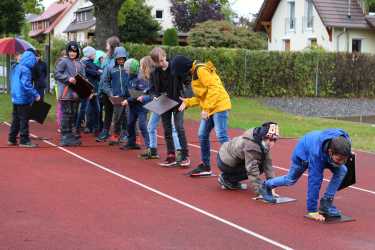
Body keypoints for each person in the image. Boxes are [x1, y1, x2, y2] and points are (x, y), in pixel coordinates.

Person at [263, 129, 352, 221]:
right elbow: (314, 182)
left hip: (323, 153)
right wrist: (312, 210)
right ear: (330, 152)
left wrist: (344, 158)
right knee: (290, 180)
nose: (341, 162)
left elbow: (343, 154)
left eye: (344, 159)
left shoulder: (345, 142)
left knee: (342, 170)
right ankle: (266, 185)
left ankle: (326, 203)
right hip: (303, 155)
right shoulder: (316, 155)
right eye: (339, 159)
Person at [173, 55, 231, 176]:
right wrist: (188, 102)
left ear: (183, 69)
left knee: (221, 135)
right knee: (202, 134)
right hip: (211, 107)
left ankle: (235, 163)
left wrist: (206, 108)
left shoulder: (201, 70)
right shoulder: (194, 73)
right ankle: (206, 166)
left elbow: (214, 89)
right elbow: (202, 97)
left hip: (219, 106)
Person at [150, 47, 190, 167]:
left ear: (165, 56)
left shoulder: (175, 67)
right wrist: (154, 96)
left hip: (178, 101)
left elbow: (188, 82)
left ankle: (185, 155)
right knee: (167, 129)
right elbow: (152, 89)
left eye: (162, 60)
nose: (161, 63)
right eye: (158, 62)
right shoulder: (154, 72)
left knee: (179, 127)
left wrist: (186, 98)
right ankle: (171, 155)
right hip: (163, 101)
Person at [217, 122, 279, 197]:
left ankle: (229, 178)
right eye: (269, 138)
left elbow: (268, 165)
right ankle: (227, 179)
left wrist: (272, 186)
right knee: (257, 167)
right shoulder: (252, 146)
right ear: (263, 136)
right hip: (225, 161)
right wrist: (261, 191)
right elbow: (252, 170)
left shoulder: (262, 141)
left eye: (274, 140)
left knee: (262, 164)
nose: (271, 143)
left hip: (231, 156)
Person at [54, 41, 85, 146]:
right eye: (71, 51)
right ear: (67, 51)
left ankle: (70, 134)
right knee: (67, 114)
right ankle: (65, 136)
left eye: (75, 51)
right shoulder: (63, 61)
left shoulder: (80, 63)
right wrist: (67, 78)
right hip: (66, 93)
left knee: (73, 114)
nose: (72, 53)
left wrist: (87, 89)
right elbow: (57, 73)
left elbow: (83, 78)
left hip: (76, 94)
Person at [8, 50, 41, 147]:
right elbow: (26, 84)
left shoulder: (16, 67)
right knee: (24, 119)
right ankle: (24, 140)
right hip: (23, 97)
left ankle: (12, 138)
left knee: (16, 119)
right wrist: (36, 94)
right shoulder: (26, 70)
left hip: (15, 96)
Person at [102, 46, 129, 146]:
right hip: (117, 97)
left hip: (127, 97)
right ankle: (115, 135)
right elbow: (105, 83)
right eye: (119, 59)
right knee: (117, 117)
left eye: (123, 59)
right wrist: (110, 93)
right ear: (115, 58)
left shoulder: (128, 67)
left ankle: (126, 134)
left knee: (127, 116)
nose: (121, 61)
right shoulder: (110, 68)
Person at [121, 58, 151, 150]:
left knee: (142, 126)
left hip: (141, 107)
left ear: (132, 69)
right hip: (132, 107)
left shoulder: (141, 79)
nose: (126, 71)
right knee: (130, 124)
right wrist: (120, 97)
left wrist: (128, 100)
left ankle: (149, 146)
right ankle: (131, 143)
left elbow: (140, 94)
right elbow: (128, 91)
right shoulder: (129, 78)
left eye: (127, 69)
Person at [96, 36, 121, 142]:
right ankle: (105, 131)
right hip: (106, 89)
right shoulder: (106, 58)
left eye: (107, 45)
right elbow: (104, 73)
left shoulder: (119, 58)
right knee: (108, 110)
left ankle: (118, 132)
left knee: (119, 112)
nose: (106, 47)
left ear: (112, 46)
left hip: (116, 89)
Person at [81, 46, 102, 134]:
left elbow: (97, 69)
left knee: (94, 108)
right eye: (93, 54)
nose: (95, 55)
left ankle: (93, 126)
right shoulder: (85, 63)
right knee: (89, 108)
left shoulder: (91, 63)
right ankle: (89, 126)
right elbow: (90, 71)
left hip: (94, 88)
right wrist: (98, 72)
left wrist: (98, 71)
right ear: (89, 55)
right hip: (89, 88)